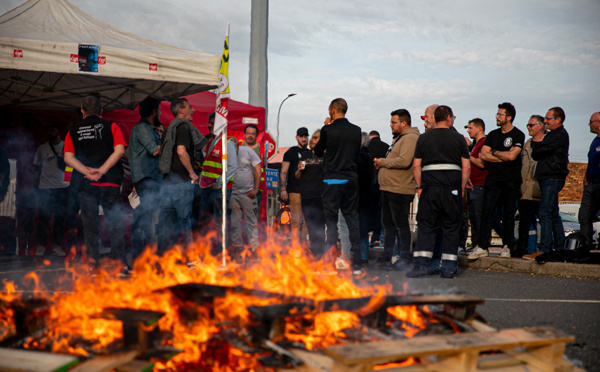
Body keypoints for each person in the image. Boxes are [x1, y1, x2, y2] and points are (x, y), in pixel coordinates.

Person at [63, 95, 127, 273]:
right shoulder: (112, 126)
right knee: (115, 225)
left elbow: (68, 157)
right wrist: (102, 171)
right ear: (101, 111)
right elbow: (120, 150)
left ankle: (92, 266)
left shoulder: (73, 131)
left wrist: (87, 172)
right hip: (111, 183)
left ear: (82, 111)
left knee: (90, 227)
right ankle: (120, 265)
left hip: (86, 185)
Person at [409, 106, 470, 278]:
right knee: (451, 227)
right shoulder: (459, 139)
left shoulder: (423, 138)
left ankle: (420, 266)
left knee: (427, 226)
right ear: (449, 118)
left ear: (435, 118)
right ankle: (448, 268)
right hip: (452, 190)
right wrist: (462, 187)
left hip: (429, 189)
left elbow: (416, 166)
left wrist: (419, 187)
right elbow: (466, 166)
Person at [468, 102, 524, 260]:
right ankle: (482, 247)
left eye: (500, 115)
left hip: (510, 182)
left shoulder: (518, 135)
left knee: (508, 214)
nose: (497, 117)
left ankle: (507, 246)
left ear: (509, 117)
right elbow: (483, 155)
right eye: (497, 114)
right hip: (492, 181)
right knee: (486, 213)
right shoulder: (492, 135)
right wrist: (503, 155)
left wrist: (494, 152)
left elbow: (513, 156)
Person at [314, 98, 363, 274]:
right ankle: (356, 264)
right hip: (350, 180)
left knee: (332, 224)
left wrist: (325, 127)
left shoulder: (327, 129)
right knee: (352, 221)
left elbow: (318, 151)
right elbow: (355, 153)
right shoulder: (357, 130)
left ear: (333, 111)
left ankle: (329, 264)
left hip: (332, 181)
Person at [157, 97, 207, 253]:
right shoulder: (183, 127)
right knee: (184, 222)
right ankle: (188, 259)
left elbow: (171, 155)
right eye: (190, 107)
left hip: (166, 183)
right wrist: (192, 172)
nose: (193, 110)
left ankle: (164, 259)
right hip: (181, 183)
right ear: (181, 110)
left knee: (166, 223)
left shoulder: (168, 129)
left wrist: (191, 163)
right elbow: (180, 151)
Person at [373, 109, 420, 270]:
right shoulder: (401, 139)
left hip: (400, 189)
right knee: (388, 224)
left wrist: (383, 162)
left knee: (400, 224)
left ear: (403, 123)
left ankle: (404, 258)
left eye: (393, 122)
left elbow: (404, 161)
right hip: (389, 187)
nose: (391, 125)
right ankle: (387, 257)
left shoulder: (411, 138)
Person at [529, 107, 570, 257]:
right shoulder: (554, 135)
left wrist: (538, 144)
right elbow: (538, 152)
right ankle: (559, 248)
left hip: (552, 177)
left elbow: (538, 151)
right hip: (549, 176)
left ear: (558, 120)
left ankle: (544, 249)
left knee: (545, 212)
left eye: (548, 119)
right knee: (552, 213)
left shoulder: (558, 135)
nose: (545, 121)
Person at [128, 97, 162, 261]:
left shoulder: (146, 128)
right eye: (160, 110)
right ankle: (143, 259)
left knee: (145, 219)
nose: (161, 113)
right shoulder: (143, 127)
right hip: (147, 179)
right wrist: (171, 141)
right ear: (154, 112)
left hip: (148, 179)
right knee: (145, 221)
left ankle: (141, 259)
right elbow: (154, 150)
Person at [33, 123, 68, 256]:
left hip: (63, 189)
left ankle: (57, 246)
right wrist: (35, 185)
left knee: (60, 219)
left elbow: (71, 166)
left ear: (59, 131)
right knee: (43, 218)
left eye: (52, 130)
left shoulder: (66, 147)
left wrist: (67, 180)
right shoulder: (42, 148)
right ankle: (41, 246)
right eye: (48, 131)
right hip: (45, 188)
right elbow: (35, 167)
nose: (49, 133)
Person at [295, 129, 326, 257]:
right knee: (310, 225)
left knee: (320, 225)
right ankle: (314, 251)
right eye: (319, 139)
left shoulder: (325, 156)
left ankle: (320, 252)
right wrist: (299, 169)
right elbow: (297, 176)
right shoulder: (305, 155)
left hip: (320, 196)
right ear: (313, 140)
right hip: (306, 196)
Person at [519, 115, 545, 259]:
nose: (528, 128)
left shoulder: (547, 144)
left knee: (544, 221)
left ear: (540, 126)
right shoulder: (526, 145)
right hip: (525, 192)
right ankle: (526, 250)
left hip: (540, 190)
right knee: (525, 223)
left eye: (531, 125)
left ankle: (544, 249)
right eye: (527, 125)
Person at [279, 127, 311, 245]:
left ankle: (304, 247)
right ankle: (295, 248)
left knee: (307, 223)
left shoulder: (310, 153)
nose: (304, 139)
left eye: (305, 136)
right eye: (301, 136)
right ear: (296, 138)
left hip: (308, 192)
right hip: (295, 191)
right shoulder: (291, 152)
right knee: (297, 222)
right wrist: (283, 189)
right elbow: (283, 172)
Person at [230, 143, 261, 255]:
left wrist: (255, 189)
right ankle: (237, 248)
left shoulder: (247, 151)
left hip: (248, 194)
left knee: (251, 222)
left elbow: (258, 170)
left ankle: (254, 249)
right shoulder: (226, 153)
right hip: (233, 194)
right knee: (234, 223)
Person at [462, 118, 487, 253]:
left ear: (479, 128)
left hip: (479, 185)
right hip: (473, 185)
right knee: (473, 216)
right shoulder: (476, 144)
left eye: (470, 128)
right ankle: (476, 244)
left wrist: (467, 154)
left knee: (478, 217)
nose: (468, 130)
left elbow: (481, 163)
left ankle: (481, 245)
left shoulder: (484, 143)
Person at [578, 111, 600, 251]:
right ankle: (586, 246)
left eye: (591, 122)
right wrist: (586, 175)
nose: (589, 124)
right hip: (590, 184)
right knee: (584, 216)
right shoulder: (595, 141)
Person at [367, 130, 389, 247]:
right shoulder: (386, 147)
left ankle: (370, 239)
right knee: (382, 212)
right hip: (383, 184)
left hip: (369, 185)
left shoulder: (368, 146)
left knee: (369, 212)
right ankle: (380, 238)